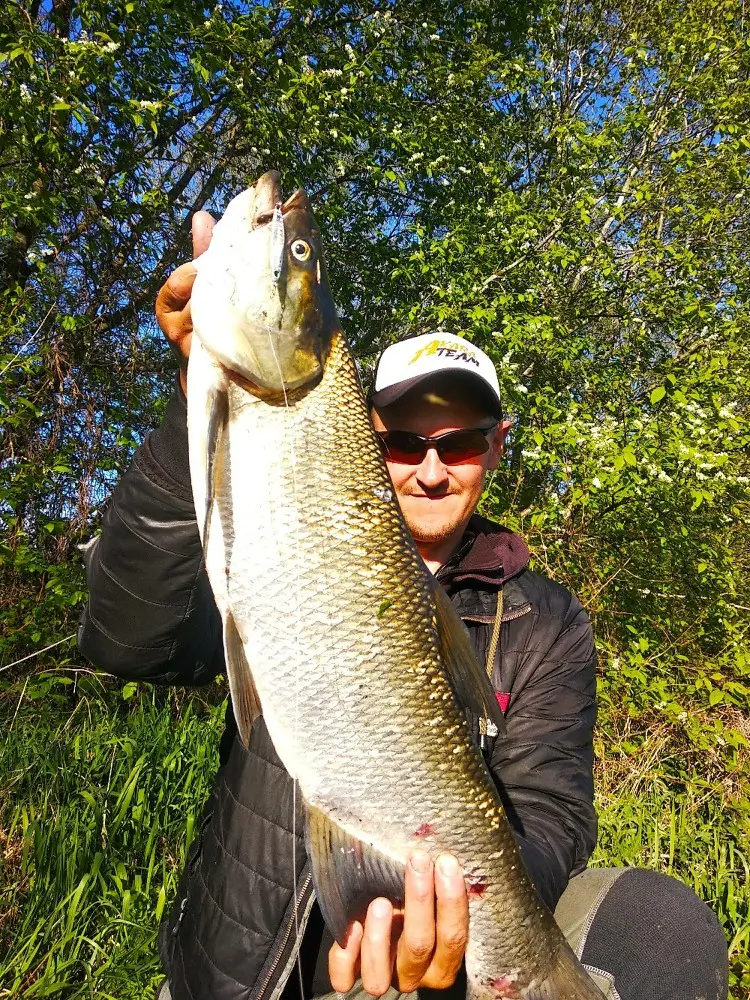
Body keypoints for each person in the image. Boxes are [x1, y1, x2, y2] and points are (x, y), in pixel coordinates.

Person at [78, 215, 728, 1000]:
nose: (429, 470)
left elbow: (551, 814)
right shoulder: (282, 525)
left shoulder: (547, 621)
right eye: (401, 444)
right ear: (363, 432)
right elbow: (128, 640)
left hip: (439, 949)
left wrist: (454, 927)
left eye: (458, 444)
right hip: (251, 963)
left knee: (662, 926)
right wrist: (198, 396)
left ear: (494, 447)